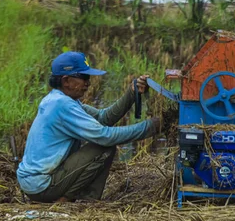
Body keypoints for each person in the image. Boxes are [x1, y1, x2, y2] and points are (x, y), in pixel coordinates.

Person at [17, 51, 160, 203]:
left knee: (103, 145)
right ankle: (80, 200)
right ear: (66, 81)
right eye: (84, 78)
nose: (88, 83)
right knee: (104, 147)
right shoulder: (62, 105)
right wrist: (150, 127)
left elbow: (102, 118)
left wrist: (132, 93)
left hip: (35, 183)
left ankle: (73, 197)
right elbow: (104, 136)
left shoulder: (59, 98)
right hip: (42, 186)